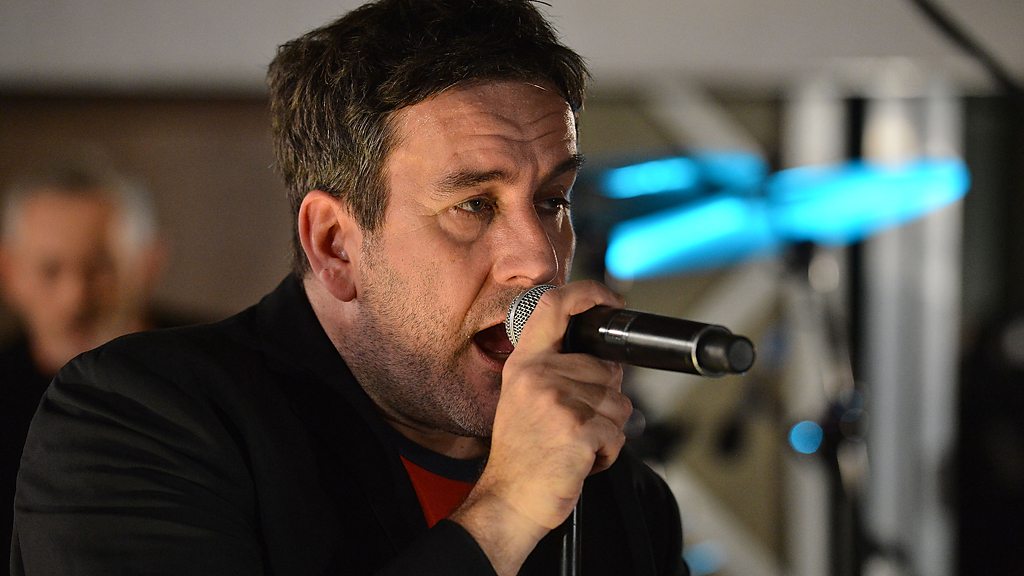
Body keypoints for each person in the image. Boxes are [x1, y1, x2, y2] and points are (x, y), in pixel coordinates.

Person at [12, 1, 688, 575]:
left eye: (552, 201)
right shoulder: (137, 418)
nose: (539, 261)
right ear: (335, 245)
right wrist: (507, 510)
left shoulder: (614, 491)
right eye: (474, 205)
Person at [0, 158, 168, 576]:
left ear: (148, 263)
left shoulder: (218, 374)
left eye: (99, 269)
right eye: (50, 270)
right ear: (10, 272)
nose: (75, 297)